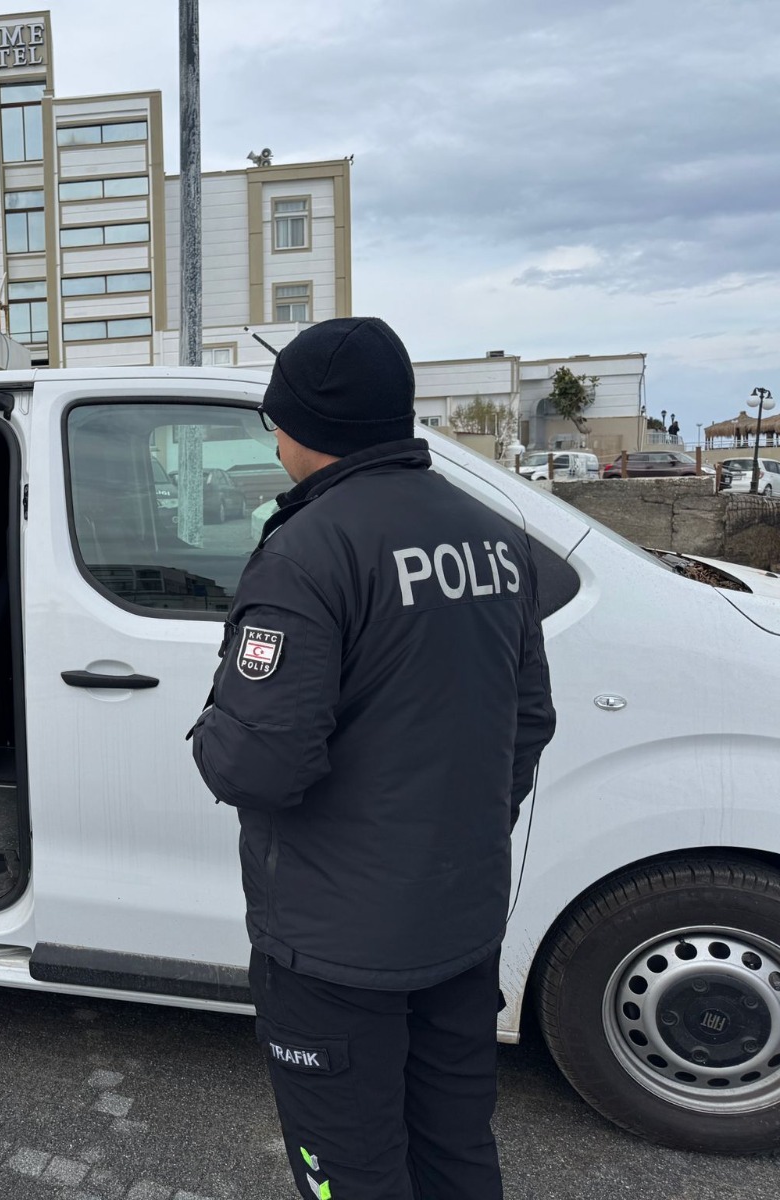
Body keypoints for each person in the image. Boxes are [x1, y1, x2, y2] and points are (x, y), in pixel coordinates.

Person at [188, 317, 557, 1200]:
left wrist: (210, 726)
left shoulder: (307, 551)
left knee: (350, 1172)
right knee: (456, 1152)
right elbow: (528, 721)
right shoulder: (494, 537)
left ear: (300, 426)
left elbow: (257, 764)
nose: (273, 440)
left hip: (333, 947)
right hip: (460, 921)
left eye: (273, 421)